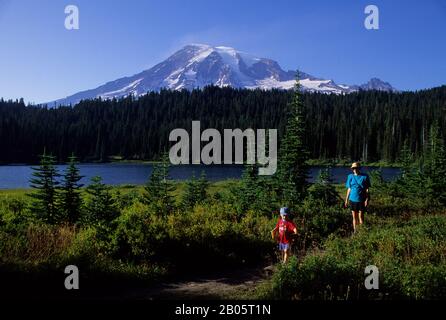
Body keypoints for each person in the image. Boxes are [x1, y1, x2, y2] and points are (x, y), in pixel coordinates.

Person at [344, 162, 371, 233]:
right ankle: (355, 231)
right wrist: (346, 200)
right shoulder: (350, 176)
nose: (355, 169)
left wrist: (367, 199)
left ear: (359, 168)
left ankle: (362, 232)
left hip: (361, 200)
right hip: (352, 200)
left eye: (356, 168)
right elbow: (349, 189)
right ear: (352, 169)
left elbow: (367, 189)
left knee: (361, 217)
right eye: (353, 168)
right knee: (354, 217)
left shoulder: (365, 176)